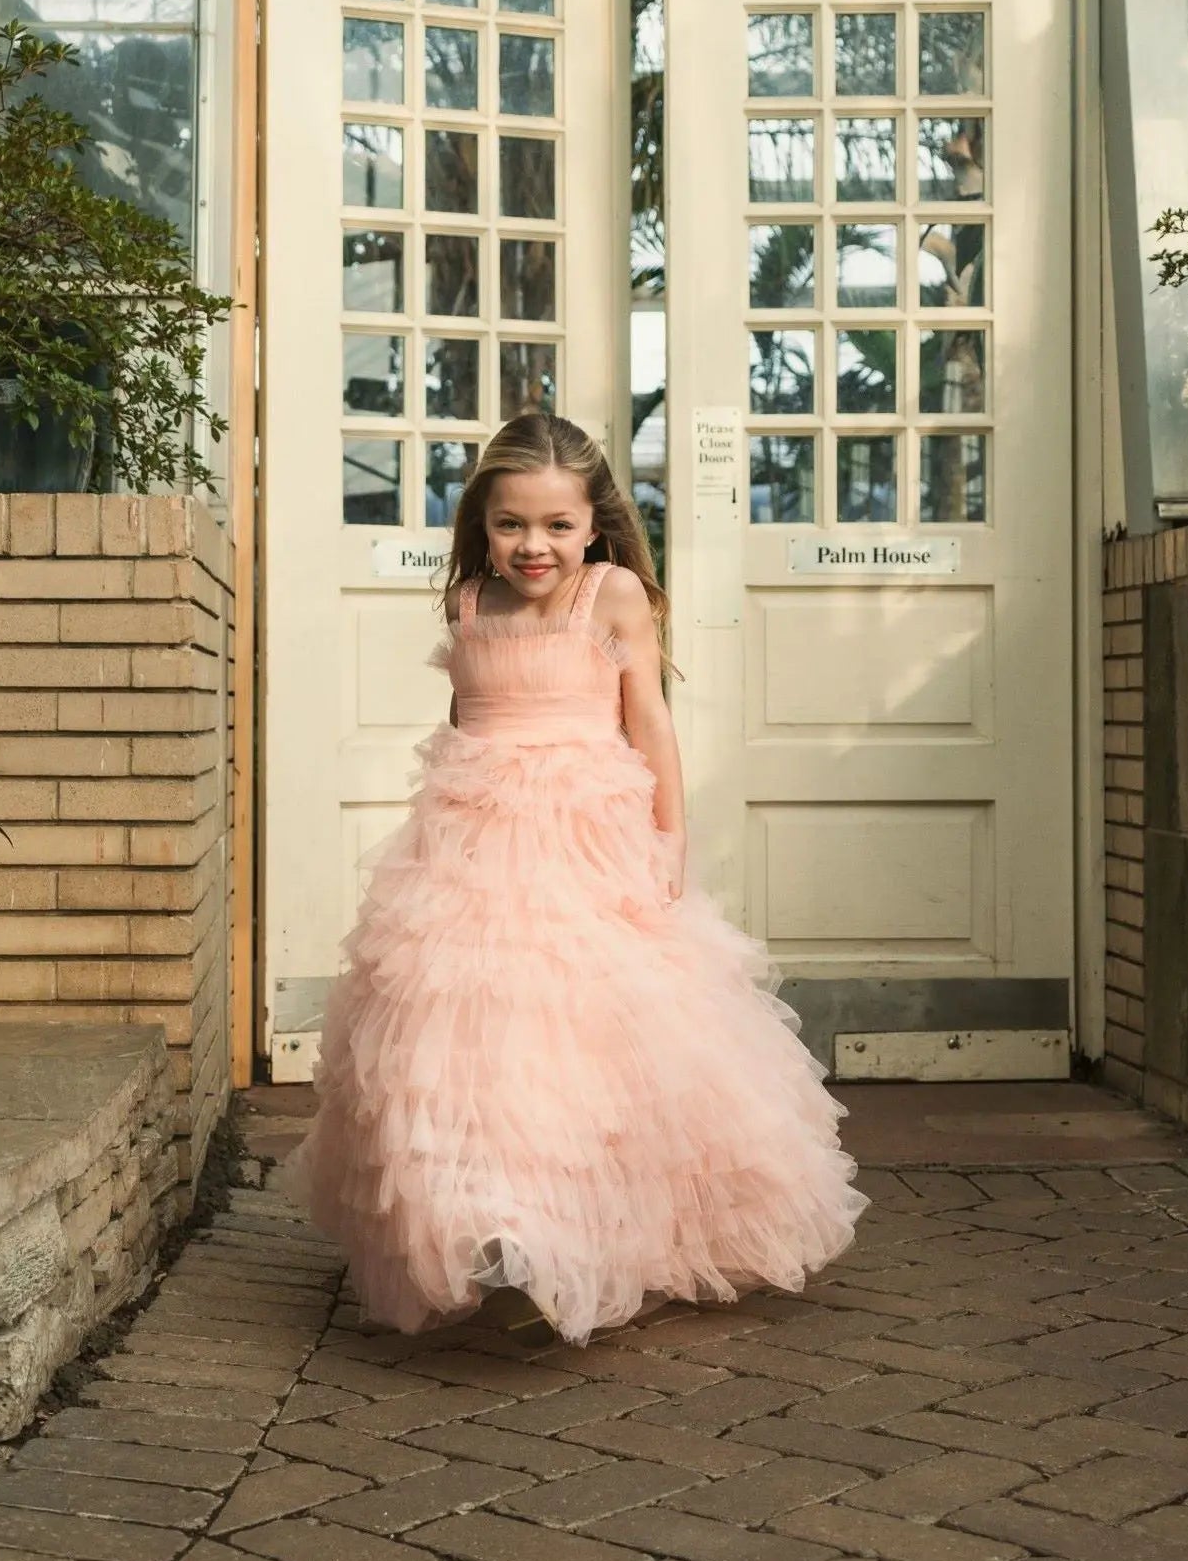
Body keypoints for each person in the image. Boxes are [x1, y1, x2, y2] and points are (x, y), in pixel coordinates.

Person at [284, 414, 867, 1346]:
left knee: (584, 1038)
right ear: (482, 524)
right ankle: (494, 1230)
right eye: (511, 524)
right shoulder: (471, 604)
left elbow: (651, 725)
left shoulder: (613, 594)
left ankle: (575, 1228)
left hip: (586, 843)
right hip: (471, 855)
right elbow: (466, 726)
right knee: (466, 1034)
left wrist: (666, 842)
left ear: (593, 525)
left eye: (556, 526)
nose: (533, 546)